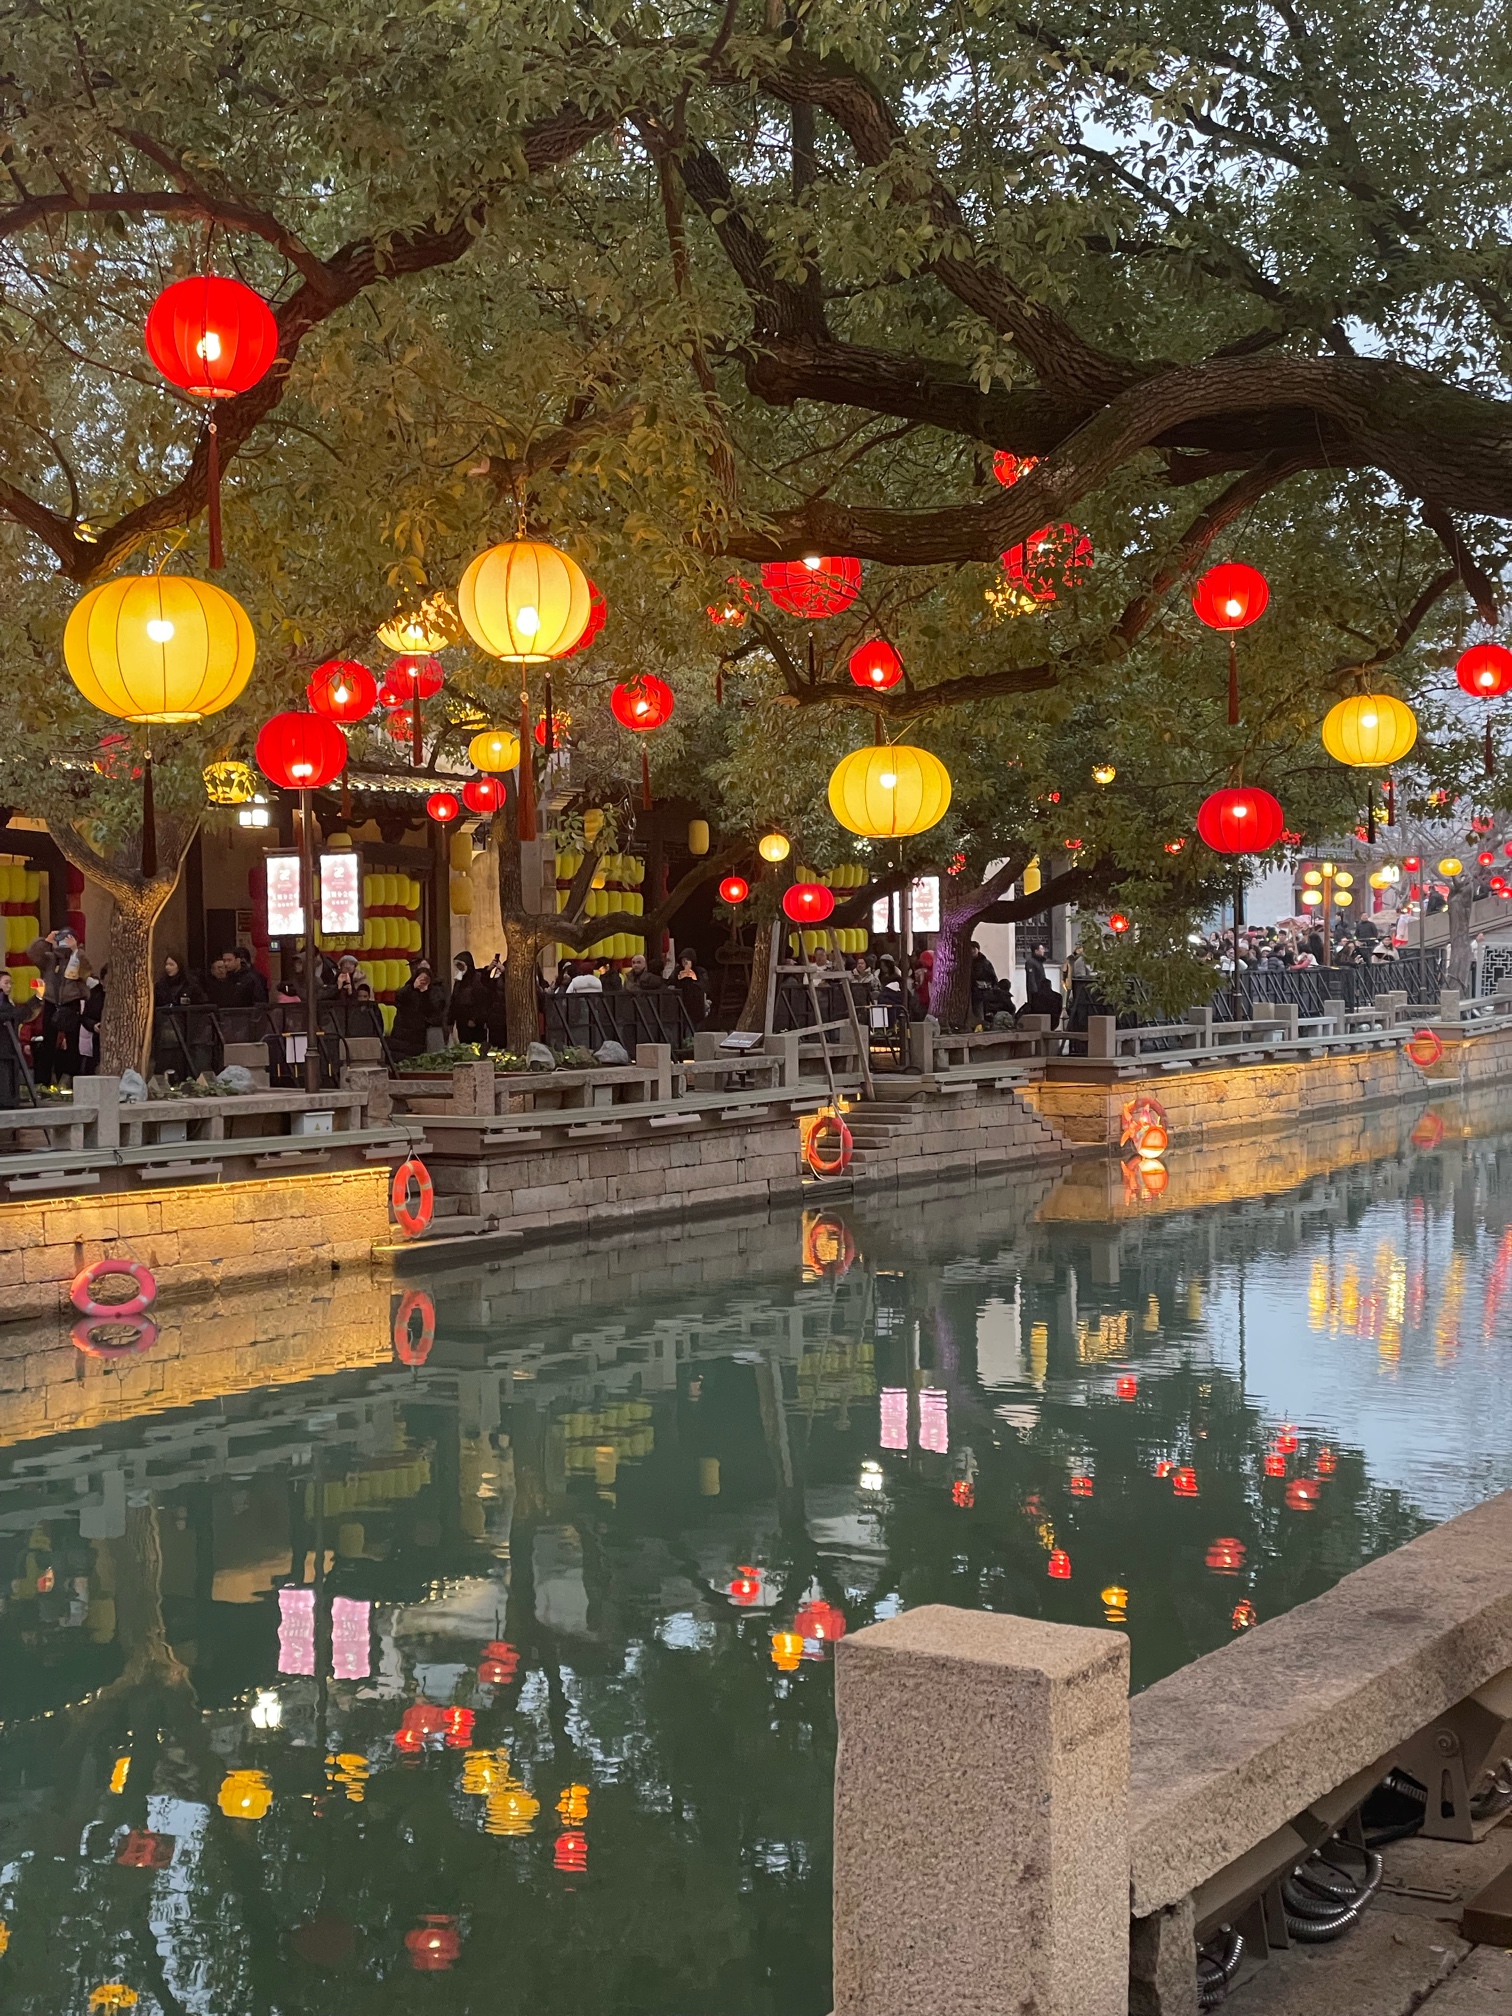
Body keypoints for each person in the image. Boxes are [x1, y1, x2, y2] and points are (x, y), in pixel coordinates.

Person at [26, 927, 89, 1085]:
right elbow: (33, 954)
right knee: (48, 1042)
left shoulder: (78, 955)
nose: (64, 943)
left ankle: (70, 1078)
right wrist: (46, 941)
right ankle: (44, 1081)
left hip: (71, 1001)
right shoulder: (50, 958)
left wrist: (75, 949)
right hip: (51, 1001)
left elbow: (86, 971)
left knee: (72, 1043)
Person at [152, 954, 208, 1077]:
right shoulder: (160, 986)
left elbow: (201, 1003)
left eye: (171, 964)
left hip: (188, 1028)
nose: (168, 968)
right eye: (166, 964)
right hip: (166, 1029)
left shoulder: (190, 985)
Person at [390, 960, 447, 1060]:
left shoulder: (436, 989)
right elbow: (399, 998)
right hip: (407, 1030)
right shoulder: (409, 989)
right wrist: (413, 987)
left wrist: (425, 992)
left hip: (427, 1030)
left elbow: (437, 1007)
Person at [0, 971, 38, 1107]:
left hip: (10, 1046)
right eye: (6, 983)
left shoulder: (8, 1003)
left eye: (11, 983)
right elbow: (13, 1014)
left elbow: (19, 1015)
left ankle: (10, 1100)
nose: (9, 986)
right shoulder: (4, 1004)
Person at [450, 950, 493, 1045]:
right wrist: (450, 1021)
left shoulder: (478, 979)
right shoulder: (459, 981)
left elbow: (483, 1002)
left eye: (461, 966)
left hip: (475, 1025)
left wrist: (475, 1019)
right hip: (461, 1022)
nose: (459, 968)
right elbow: (454, 1001)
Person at [1023, 942, 1061, 1025]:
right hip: (1038, 993)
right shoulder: (1031, 962)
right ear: (1036, 951)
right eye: (1041, 949)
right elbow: (1031, 980)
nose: (1043, 951)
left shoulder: (1038, 962)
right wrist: (1034, 994)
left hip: (1042, 991)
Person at [675, 949, 708, 1027]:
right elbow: (672, 982)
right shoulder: (677, 971)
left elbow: (704, 985)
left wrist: (692, 978)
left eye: (687, 960)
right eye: (683, 960)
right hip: (681, 1001)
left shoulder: (699, 971)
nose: (685, 962)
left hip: (696, 1002)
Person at [969, 941, 998, 1026]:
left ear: (978, 949)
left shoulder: (985, 962)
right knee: (977, 1010)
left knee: (985, 1011)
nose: (972, 951)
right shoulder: (968, 963)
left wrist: (993, 987)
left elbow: (993, 977)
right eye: (970, 949)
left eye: (974, 949)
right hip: (974, 992)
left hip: (985, 992)